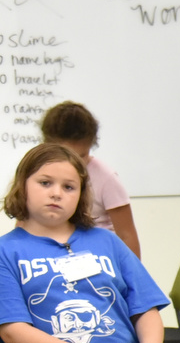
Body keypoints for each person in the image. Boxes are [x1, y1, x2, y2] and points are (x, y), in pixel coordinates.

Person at [0, 144, 165, 343]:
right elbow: (13, 331)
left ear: (81, 195)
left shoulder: (107, 241)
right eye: (45, 183)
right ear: (22, 185)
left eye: (69, 187)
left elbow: (144, 307)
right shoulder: (6, 251)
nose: (57, 193)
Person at [40, 102, 141, 257]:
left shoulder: (106, 178)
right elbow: (23, 226)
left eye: (81, 156)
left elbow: (127, 235)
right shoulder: (36, 174)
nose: (73, 164)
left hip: (99, 258)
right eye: (64, 156)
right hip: (53, 256)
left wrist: (133, 279)